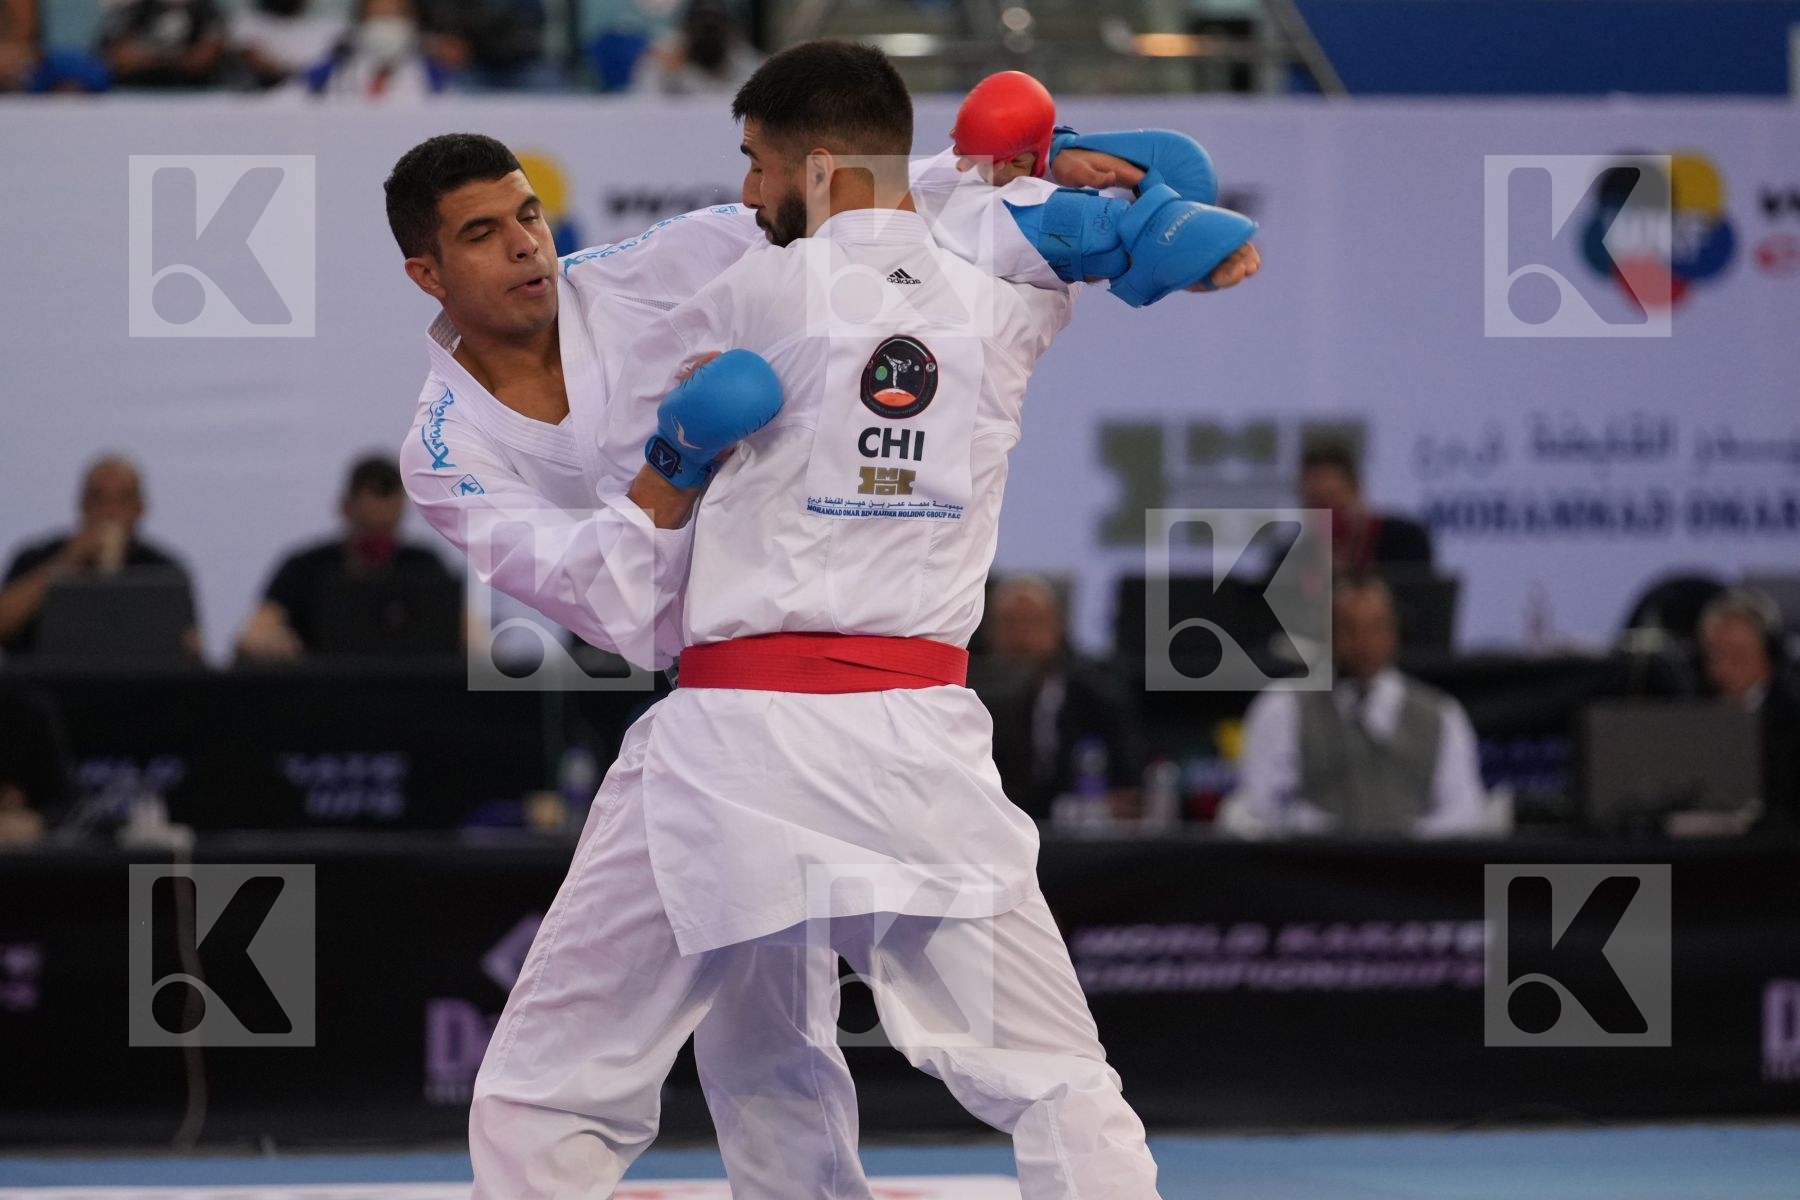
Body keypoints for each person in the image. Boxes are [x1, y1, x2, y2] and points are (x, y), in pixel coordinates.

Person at [390, 82, 1253, 1197]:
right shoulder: (448, 445)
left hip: (749, 722)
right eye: (482, 235)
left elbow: (857, 213)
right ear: (427, 274)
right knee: (787, 1050)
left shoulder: (675, 266)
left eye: (528, 217)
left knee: (608, 1071)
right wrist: (672, 470)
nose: (525, 249)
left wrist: (1011, 170)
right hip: (756, 696)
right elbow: (607, 611)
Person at [1220, 575, 1486, 838]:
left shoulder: (1441, 714)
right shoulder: (1283, 706)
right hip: (1312, 866)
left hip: (1410, 869)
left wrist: (1404, 845)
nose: (1364, 642)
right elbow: (1261, 805)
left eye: (1376, 628)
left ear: (1395, 633)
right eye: (1350, 628)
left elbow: (1464, 809)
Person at [236, 456, 453, 661]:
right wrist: (271, 641)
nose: (377, 540)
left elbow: (469, 634)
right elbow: (252, 634)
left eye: (387, 527)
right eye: (369, 526)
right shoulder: (306, 568)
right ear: (346, 508)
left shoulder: (425, 567)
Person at [0, 456, 199, 658]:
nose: (109, 511)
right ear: (82, 504)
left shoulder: (166, 572)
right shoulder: (35, 559)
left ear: (140, 508)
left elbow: (191, 647)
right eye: (97, 499)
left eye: (123, 500)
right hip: (44, 686)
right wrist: (68, 561)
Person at [981, 575, 1145, 820]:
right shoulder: (973, 697)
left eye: (1032, 622)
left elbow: (1127, 790)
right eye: (1009, 623)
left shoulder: (1097, 695)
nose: (1021, 635)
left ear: (1058, 627)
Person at [1695, 589, 1800, 833]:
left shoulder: (1792, 717)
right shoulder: (1695, 709)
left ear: (1769, 654)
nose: (1723, 669)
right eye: (1716, 655)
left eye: (1738, 656)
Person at [1299, 439, 1433, 573]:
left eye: (1332, 498)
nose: (1327, 513)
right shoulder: (1294, 557)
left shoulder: (1405, 540)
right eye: (1314, 503)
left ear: (1356, 491)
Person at [300, 0, 447, 99]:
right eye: (378, 15)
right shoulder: (331, 71)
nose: (385, 23)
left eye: (392, 15)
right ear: (362, 21)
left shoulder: (434, 74)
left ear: (411, 21)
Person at [631, 0, 760, 96]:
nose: (708, 36)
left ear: (731, 31)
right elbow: (643, 103)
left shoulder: (745, 61)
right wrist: (669, 73)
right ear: (686, 30)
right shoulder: (664, 56)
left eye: (714, 29)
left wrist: (685, 75)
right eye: (701, 28)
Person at [97, 0, 224, 88]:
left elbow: (201, 60)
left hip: (191, 94)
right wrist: (178, 57)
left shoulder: (206, 9)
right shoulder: (136, 8)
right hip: (134, 94)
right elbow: (121, 58)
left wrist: (147, 57)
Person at [228, 0, 347, 88]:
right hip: (255, 99)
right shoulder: (247, 22)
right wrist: (298, 73)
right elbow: (253, 59)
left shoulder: (326, 26)